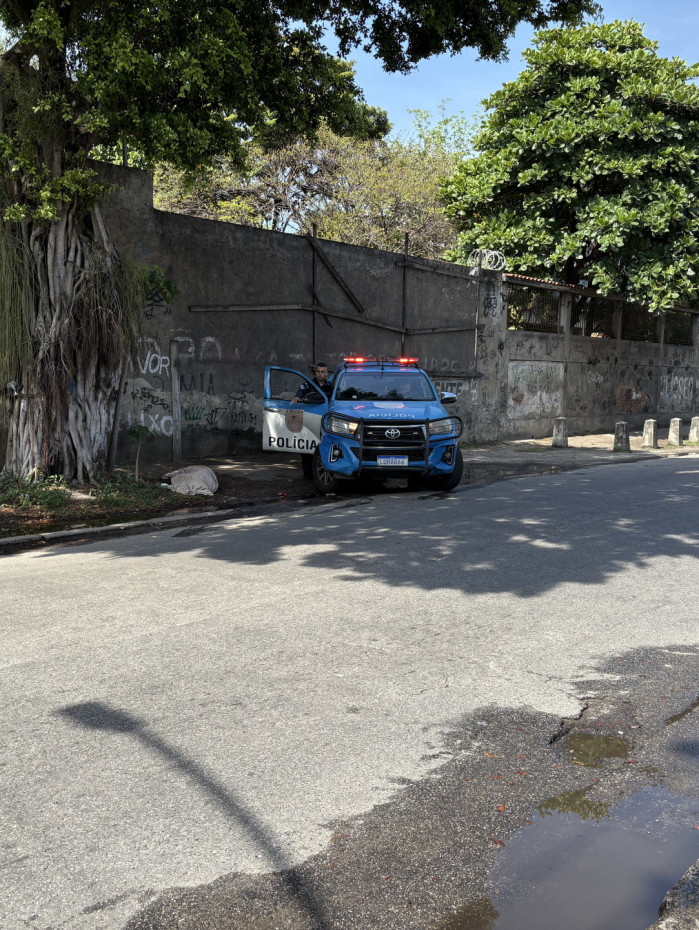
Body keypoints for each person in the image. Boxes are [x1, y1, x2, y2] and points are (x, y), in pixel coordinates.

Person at [292, 363, 332, 478]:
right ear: (316, 372)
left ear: (326, 373)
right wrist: (297, 397)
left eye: (323, 372)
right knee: (307, 447)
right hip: (310, 419)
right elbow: (301, 391)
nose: (320, 374)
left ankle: (319, 472)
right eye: (318, 371)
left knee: (321, 446)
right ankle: (307, 473)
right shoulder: (309, 384)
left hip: (324, 421)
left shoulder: (330, 387)